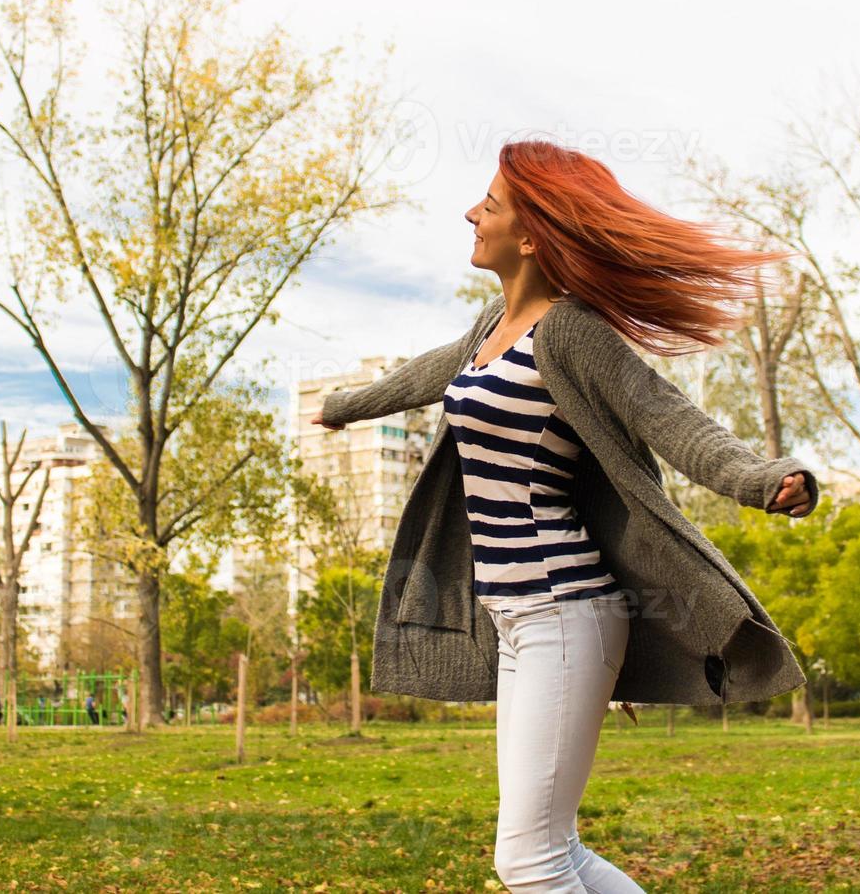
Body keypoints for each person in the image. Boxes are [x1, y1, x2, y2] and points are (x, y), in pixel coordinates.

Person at [312, 140, 816, 892]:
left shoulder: (572, 332)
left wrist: (762, 477)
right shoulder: (489, 327)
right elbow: (429, 371)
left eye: (489, 204)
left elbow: (669, 417)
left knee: (528, 860)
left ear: (531, 233)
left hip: (565, 609)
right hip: (513, 620)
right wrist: (343, 407)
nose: (470, 214)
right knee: (557, 849)